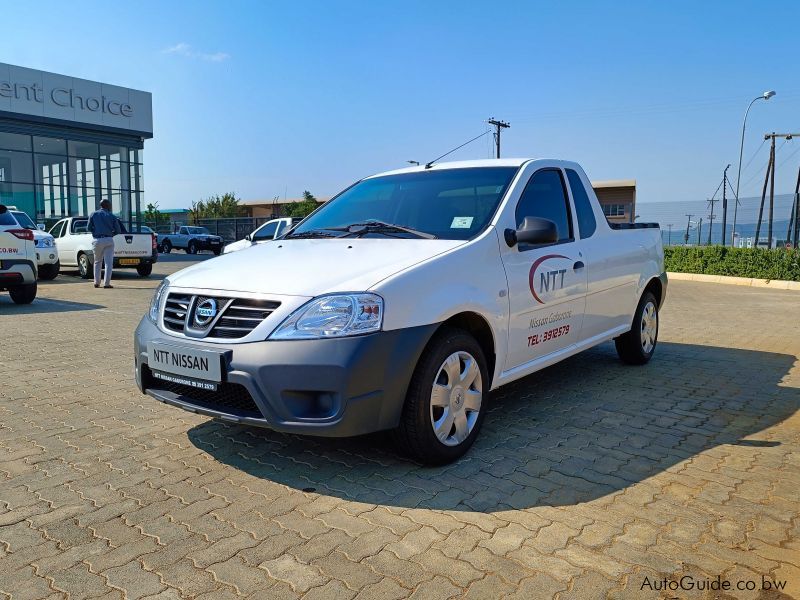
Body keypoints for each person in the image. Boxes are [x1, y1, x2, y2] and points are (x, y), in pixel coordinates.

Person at [87, 199, 124, 288]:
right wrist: (111, 234)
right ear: (107, 205)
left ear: (101, 205)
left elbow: (88, 228)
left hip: (97, 240)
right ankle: (107, 284)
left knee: (97, 262)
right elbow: (118, 230)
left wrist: (95, 231)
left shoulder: (93, 214)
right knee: (108, 263)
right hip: (109, 240)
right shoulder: (112, 216)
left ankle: (96, 282)